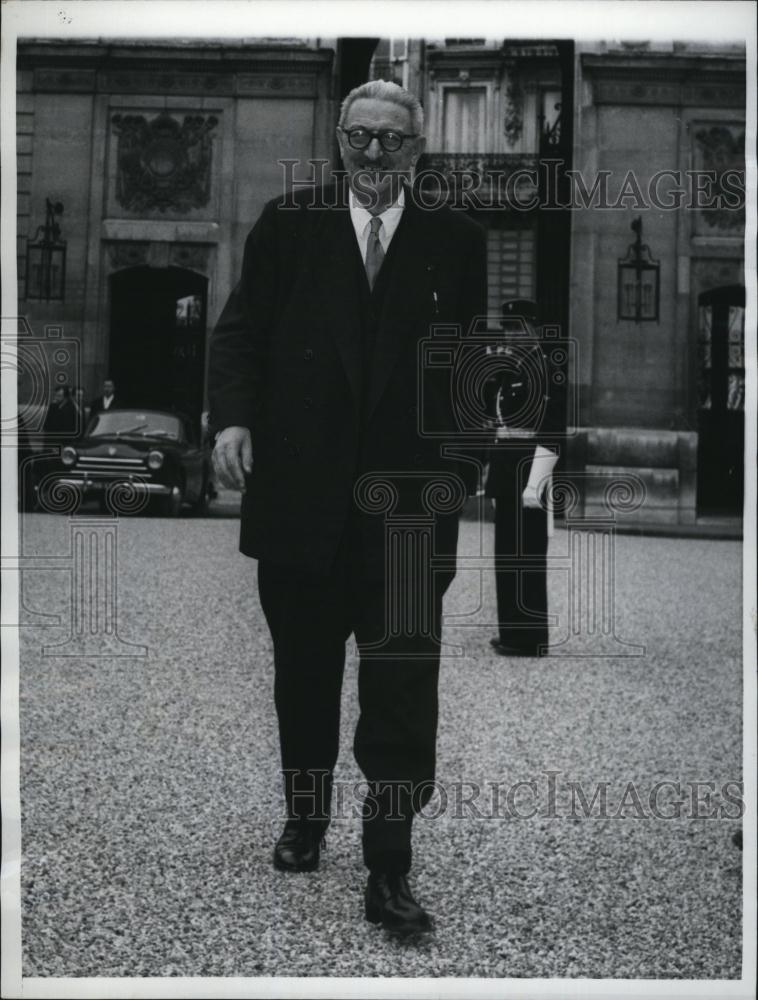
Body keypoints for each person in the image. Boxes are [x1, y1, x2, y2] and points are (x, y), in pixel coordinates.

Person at [209, 79, 487, 936]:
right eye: (361, 138)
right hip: (300, 502)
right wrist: (234, 419)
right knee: (304, 677)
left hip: (409, 515)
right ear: (338, 140)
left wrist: (462, 465)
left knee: (403, 688)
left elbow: (472, 364)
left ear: (417, 151)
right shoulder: (286, 226)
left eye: (392, 142)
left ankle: (390, 862)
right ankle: (305, 813)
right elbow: (242, 333)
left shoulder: (458, 240)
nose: (374, 155)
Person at [484, 300, 563, 657]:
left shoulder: (543, 368)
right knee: (507, 554)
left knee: (527, 556)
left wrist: (536, 483)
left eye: (517, 328)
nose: (511, 335)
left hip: (528, 472)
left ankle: (531, 635)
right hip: (507, 471)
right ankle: (513, 630)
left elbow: (551, 430)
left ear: (531, 328)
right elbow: (496, 422)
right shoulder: (511, 367)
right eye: (508, 328)